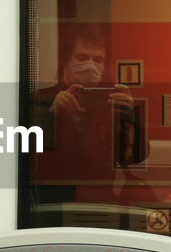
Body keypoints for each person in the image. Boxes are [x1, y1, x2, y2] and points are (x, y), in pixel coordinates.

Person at [32, 26, 136, 178]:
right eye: (82, 58)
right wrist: (51, 117)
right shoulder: (40, 99)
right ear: (65, 61)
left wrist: (132, 119)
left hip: (99, 197)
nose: (90, 65)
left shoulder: (110, 102)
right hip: (53, 197)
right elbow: (25, 157)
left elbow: (136, 157)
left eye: (98, 59)